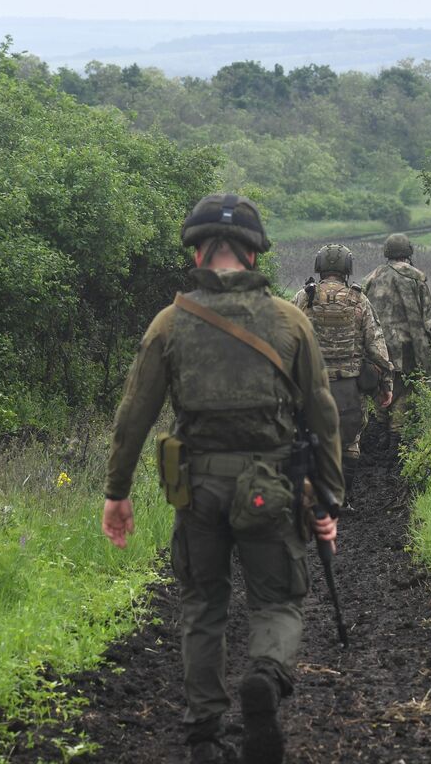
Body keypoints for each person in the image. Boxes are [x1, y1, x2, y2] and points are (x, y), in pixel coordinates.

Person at [101, 193, 344, 764]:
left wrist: (117, 493)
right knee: (278, 601)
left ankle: (205, 733)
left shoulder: (170, 323)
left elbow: (132, 417)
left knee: (203, 607)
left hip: (198, 489)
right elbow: (324, 413)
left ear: (197, 252)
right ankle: (263, 674)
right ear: (255, 256)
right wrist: (328, 497)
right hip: (271, 489)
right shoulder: (291, 321)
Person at [292, 243, 394, 490]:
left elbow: (288, 339)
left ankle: (314, 495)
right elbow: (376, 345)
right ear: (347, 267)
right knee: (349, 443)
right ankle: (343, 497)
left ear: (319, 266)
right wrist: (386, 384)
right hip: (349, 387)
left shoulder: (304, 298)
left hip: (311, 385)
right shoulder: (359, 300)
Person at [361, 233, 431, 439]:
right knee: (403, 392)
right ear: (408, 252)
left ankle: (379, 436)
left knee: (380, 392)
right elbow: (428, 321)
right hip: (407, 349)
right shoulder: (415, 278)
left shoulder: (370, 279)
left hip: (376, 349)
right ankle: (396, 439)